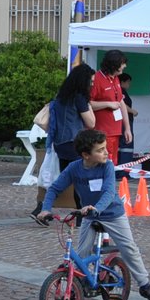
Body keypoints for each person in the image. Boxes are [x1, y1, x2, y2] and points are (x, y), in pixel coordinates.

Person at [34, 128, 150, 300]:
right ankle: (74, 292)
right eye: (100, 150)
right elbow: (54, 188)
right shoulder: (74, 168)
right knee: (81, 254)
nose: (106, 152)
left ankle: (145, 286)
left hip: (112, 214)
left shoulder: (108, 166)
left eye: (105, 148)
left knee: (129, 248)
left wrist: (97, 208)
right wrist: (45, 209)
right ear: (85, 155)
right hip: (89, 214)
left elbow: (109, 191)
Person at [41, 64, 96, 212]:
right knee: (80, 181)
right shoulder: (79, 98)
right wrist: (88, 102)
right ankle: (82, 213)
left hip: (60, 144)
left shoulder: (62, 96)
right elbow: (91, 123)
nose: (91, 85)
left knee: (64, 180)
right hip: (73, 144)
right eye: (90, 81)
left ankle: (41, 207)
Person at [89, 51, 128, 151]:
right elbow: (87, 104)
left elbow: (121, 102)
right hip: (101, 132)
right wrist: (107, 104)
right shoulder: (96, 79)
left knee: (113, 164)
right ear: (114, 64)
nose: (125, 66)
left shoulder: (116, 78)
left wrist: (127, 128)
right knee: (105, 163)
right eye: (122, 63)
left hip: (116, 131)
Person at [117, 71, 137, 166]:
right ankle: (124, 171)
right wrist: (132, 111)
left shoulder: (120, 91)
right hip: (124, 122)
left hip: (124, 122)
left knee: (123, 145)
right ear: (122, 82)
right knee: (126, 144)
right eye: (128, 82)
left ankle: (122, 170)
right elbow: (122, 104)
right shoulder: (121, 90)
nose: (129, 84)